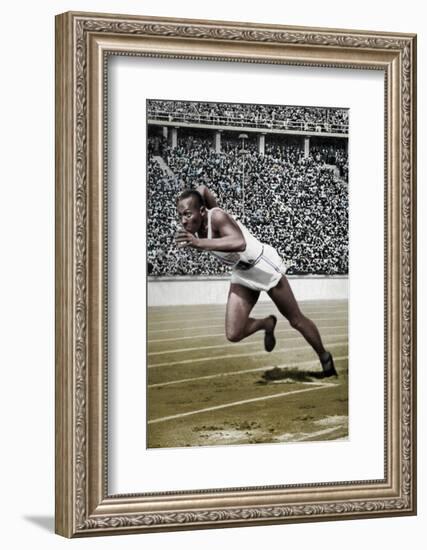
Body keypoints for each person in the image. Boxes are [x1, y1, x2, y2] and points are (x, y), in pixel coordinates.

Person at [175, 185, 337, 377]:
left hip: (262, 265)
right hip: (242, 274)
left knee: (296, 320)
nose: (183, 221)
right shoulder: (200, 226)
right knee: (233, 333)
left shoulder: (216, 217)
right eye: (180, 216)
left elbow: (239, 243)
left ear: (201, 211)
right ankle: (266, 324)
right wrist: (197, 198)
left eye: (187, 214)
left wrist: (200, 243)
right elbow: (202, 189)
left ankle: (325, 357)